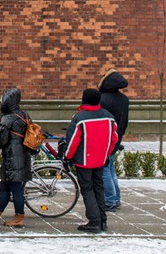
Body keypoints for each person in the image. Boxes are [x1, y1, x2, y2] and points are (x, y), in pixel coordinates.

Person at [64, 87, 118, 234]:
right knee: (98, 188)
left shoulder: (80, 118)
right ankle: (102, 219)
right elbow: (114, 139)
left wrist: (67, 157)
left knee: (87, 189)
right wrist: (107, 154)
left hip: (84, 160)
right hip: (100, 159)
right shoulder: (109, 117)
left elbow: (73, 141)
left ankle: (94, 221)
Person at [0, 87, 31, 227]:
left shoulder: (7, 119)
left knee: (14, 189)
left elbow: (1, 140)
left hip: (12, 159)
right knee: (6, 187)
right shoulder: (24, 115)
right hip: (22, 156)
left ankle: (19, 218)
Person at [99, 69, 130, 211]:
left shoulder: (102, 99)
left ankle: (110, 200)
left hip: (105, 138)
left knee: (104, 168)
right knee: (111, 168)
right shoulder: (124, 99)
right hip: (116, 136)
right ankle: (116, 197)